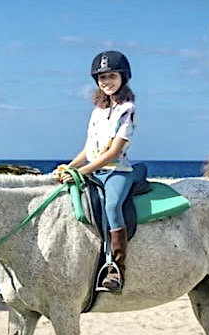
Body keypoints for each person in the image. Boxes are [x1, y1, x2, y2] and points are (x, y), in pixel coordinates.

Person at [53, 50, 136, 292]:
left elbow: (112, 153)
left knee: (112, 206)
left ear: (123, 77)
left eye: (111, 76)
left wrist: (84, 171)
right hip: (95, 170)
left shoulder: (127, 109)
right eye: (101, 78)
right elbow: (89, 149)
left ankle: (117, 269)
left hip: (117, 171)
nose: (106, 82)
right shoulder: (97, 112)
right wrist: (69, 167)